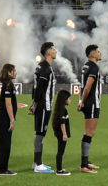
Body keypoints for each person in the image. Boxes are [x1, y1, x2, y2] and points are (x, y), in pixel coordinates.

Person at [30, 42, 56, 173]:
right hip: (44, 105)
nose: (55, 51)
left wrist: (33, 103)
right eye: (53, 49)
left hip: (42, 105)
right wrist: (35, 104)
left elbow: (35, 87)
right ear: (48, 52)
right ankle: (38, 164)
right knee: (40, 133)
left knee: (40, 133)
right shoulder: (45, 67)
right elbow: (39, 87)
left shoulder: (41, 66)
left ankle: (36, 162)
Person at [77, 44, 102, 173]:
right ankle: (83, 165)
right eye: (98, 51)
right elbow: (87, 86)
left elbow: (82, 86)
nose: (100, 53)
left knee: (89, 132)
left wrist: (81, 101)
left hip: (87, 102)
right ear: (92, 54)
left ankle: (86, 162)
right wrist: (83, 101)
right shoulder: (94, 67)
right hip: (92, 103)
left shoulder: (85, 66)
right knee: (89, 133)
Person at [0, 64, 18, 176]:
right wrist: (12, 120)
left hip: (4, 119)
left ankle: (3, 168)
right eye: (14, 71)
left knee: (6, 144)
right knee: (5, 145)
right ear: (9, 73)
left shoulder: (9, 85)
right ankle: (2, 170)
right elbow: (8, 104)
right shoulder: (7, 86)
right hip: (5, 119)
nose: (15, 73)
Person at [50, 90, 71, 176]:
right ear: (64, 99)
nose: (70, 100)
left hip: (59, 133)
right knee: (60, 152)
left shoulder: (59, 108)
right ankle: (59, 170)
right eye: (69, 98)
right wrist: (65, 134)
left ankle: (60, 168)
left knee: (60, 151)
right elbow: (62, 123)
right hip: (62, 134)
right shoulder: (63, 110)